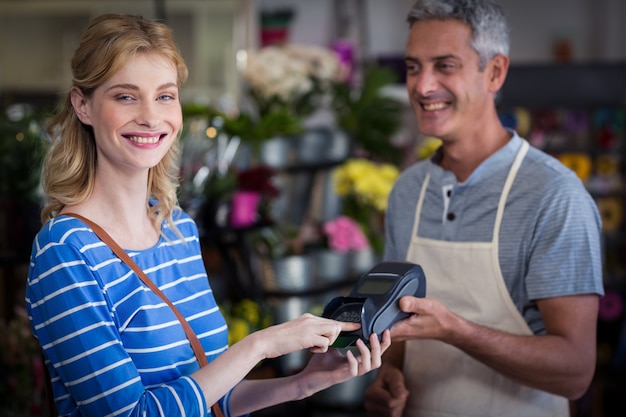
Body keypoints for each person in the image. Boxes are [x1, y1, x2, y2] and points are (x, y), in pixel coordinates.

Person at [26, 13, 390, 417]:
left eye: (165, 96)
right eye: (126, 96)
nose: (151, 116)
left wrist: (304, 382)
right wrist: (261, 345)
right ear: (83, 106)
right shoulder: (65, 251)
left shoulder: (177, 229)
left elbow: (213, 396)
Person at [364, 1, 604, 416]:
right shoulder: (407, 192)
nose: (422, 87)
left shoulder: (554, 196)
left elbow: (575, 372)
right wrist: (386, 378)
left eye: (445, 66)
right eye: (413, 67)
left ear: (494, 72)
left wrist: (456, 331)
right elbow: (397, 331)